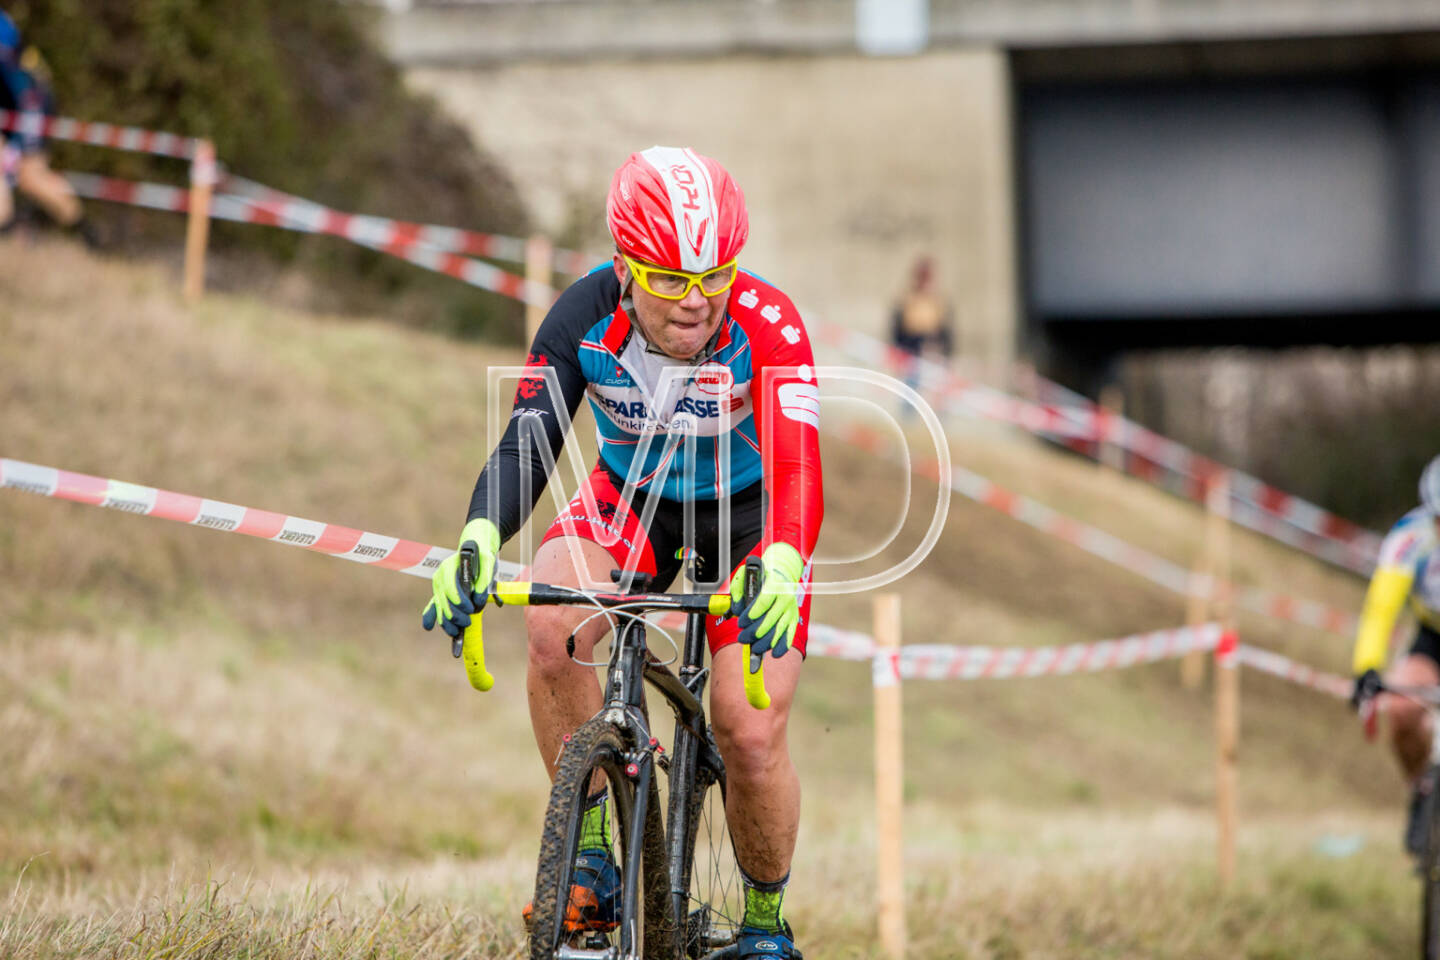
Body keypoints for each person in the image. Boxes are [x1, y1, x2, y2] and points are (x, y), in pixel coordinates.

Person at [422, 146, 822, 959]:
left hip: (748, 516)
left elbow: (797, 467)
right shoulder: (581, 317)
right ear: (623, 266)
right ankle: (596, 859)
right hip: (633, 500)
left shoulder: (767, 321)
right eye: (669, 279)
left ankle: (764, 928)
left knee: (749, 732)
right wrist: (478, 535)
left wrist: (782, 556)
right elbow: (526, 446)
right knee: (549, 628)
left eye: (713, 276)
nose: (696, 301)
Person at [1351, 454, 1440, 856]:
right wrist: (1366, 668)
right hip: (1432, 639)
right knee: (1402, 706)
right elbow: (1379, 611)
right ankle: (1422, 790)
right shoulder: (1410, 538)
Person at [0, 11, 92, 243]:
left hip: (30, 101)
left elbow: (22, 84)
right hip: (16, 102)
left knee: (30, 177)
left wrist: (17, 146)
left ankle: (87, 234)